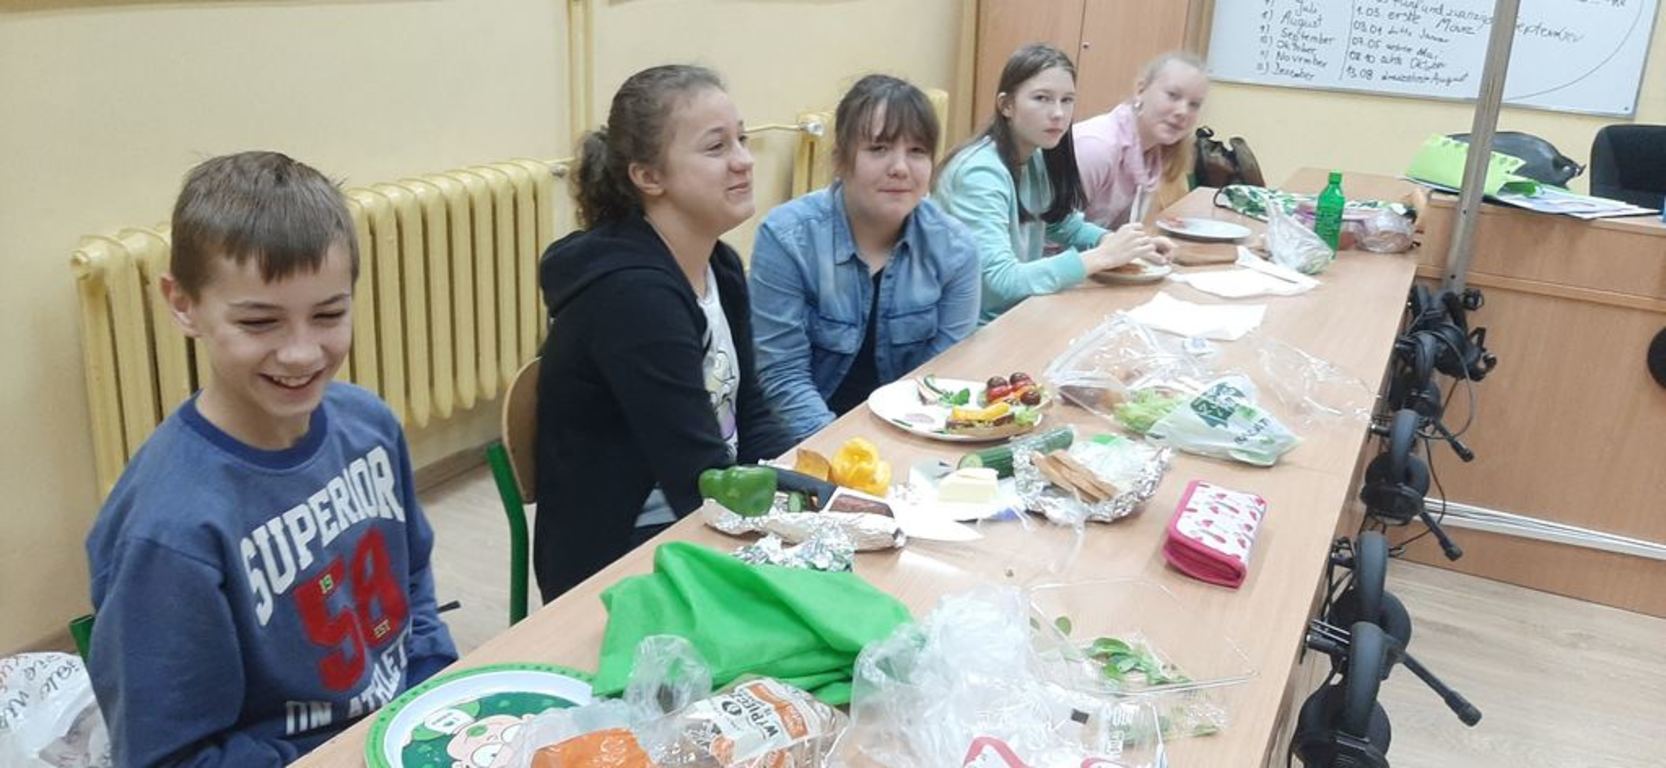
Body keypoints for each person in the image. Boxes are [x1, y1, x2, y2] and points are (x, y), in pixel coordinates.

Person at [84, 151, 458, 766]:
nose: (301, 353)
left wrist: (433, 690)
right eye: (260, 322)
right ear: (183, 303)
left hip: (403, 727)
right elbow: (168, 756)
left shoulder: (370, 425)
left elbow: (412, 578)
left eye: (329, 314)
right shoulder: (168, 531)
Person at [534, 65, 794, 601]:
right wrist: (792, 528)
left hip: (701, 508)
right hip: (621, 553)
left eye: (742, 139)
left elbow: (751, 413)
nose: (743, 161)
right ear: (649, 177)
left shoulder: (720, 265)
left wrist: (805, 484)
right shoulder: (635, 299)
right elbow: (696, 477)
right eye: (716, 147)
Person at [750, 74, 980, 442]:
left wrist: (898, 452)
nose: (900, 167)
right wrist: (848, 455)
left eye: (917, 151)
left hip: (908, 433)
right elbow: (783, 376)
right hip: (803, 438)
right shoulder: (786, 238)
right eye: (879, 148)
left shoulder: (955, 249)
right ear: (841, 159)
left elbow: (940, 379)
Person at [935, 43, 1170, 322]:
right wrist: (1102, 257)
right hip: (971, 329)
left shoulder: (1034, 155)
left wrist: (1122, 244)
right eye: (1042, 98)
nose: (1058, 113)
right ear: (1006, 105)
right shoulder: (979, 173)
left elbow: (1061, 224)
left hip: (1015, 314)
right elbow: (1001, 280)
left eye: (1067, 100)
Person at [1075, 51, 1210, 229]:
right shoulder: (1097, 147)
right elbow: (1052, 231)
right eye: (1173, 95)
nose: (1183, 112)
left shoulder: (1152, 154)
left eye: (1194, 105)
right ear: (1140, 90)